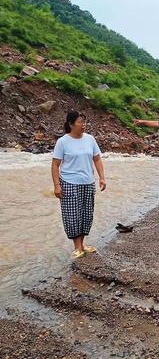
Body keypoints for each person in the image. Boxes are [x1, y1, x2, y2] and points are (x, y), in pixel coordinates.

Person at [51, 111, 106, 260]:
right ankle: (77, 247)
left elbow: (97, 159)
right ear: (71, 124)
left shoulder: (90, 139)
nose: (83, 125)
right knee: (72, 216)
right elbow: (55, 165)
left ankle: (83, 244)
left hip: (88, 182)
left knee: (86, 214)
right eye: (80, 122)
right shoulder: (63, 142)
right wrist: (57, 185)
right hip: (69, 183)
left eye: (84, 122)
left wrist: (102, 178)